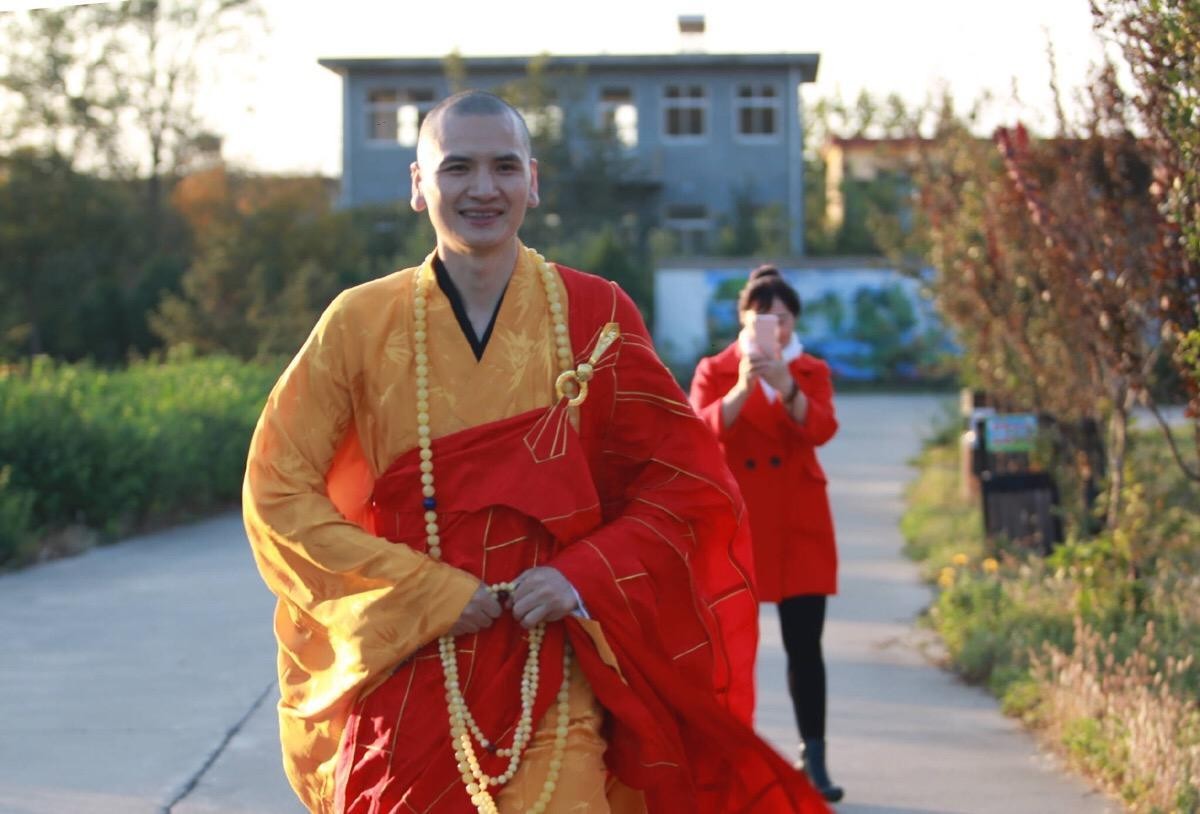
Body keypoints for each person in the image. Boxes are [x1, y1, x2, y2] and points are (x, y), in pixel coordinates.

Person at [243, 91, 828, 814]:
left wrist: (579, 576)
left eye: (504, 167)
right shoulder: (358, 323)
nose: (483, 189)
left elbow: (682, 483)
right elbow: (276, 493)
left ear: (534, 180)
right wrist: (427, 593)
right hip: (411, 664)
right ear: (419, 185)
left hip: (549, 660)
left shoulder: (597, 316)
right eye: (457, 168)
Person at [688, 266, 845, 802]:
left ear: (793, 322)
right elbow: (697, 431)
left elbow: (822, 428)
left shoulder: (810, 370)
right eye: (762, 318)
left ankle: (814, 759)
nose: (773, 328)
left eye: (782, 319)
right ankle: (728, 756)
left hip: (799, 523)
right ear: (744, 321)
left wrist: (787, 388)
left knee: (806, 646)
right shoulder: (716, 368)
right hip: (739, 521)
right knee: (730, 648)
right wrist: (743, 388)